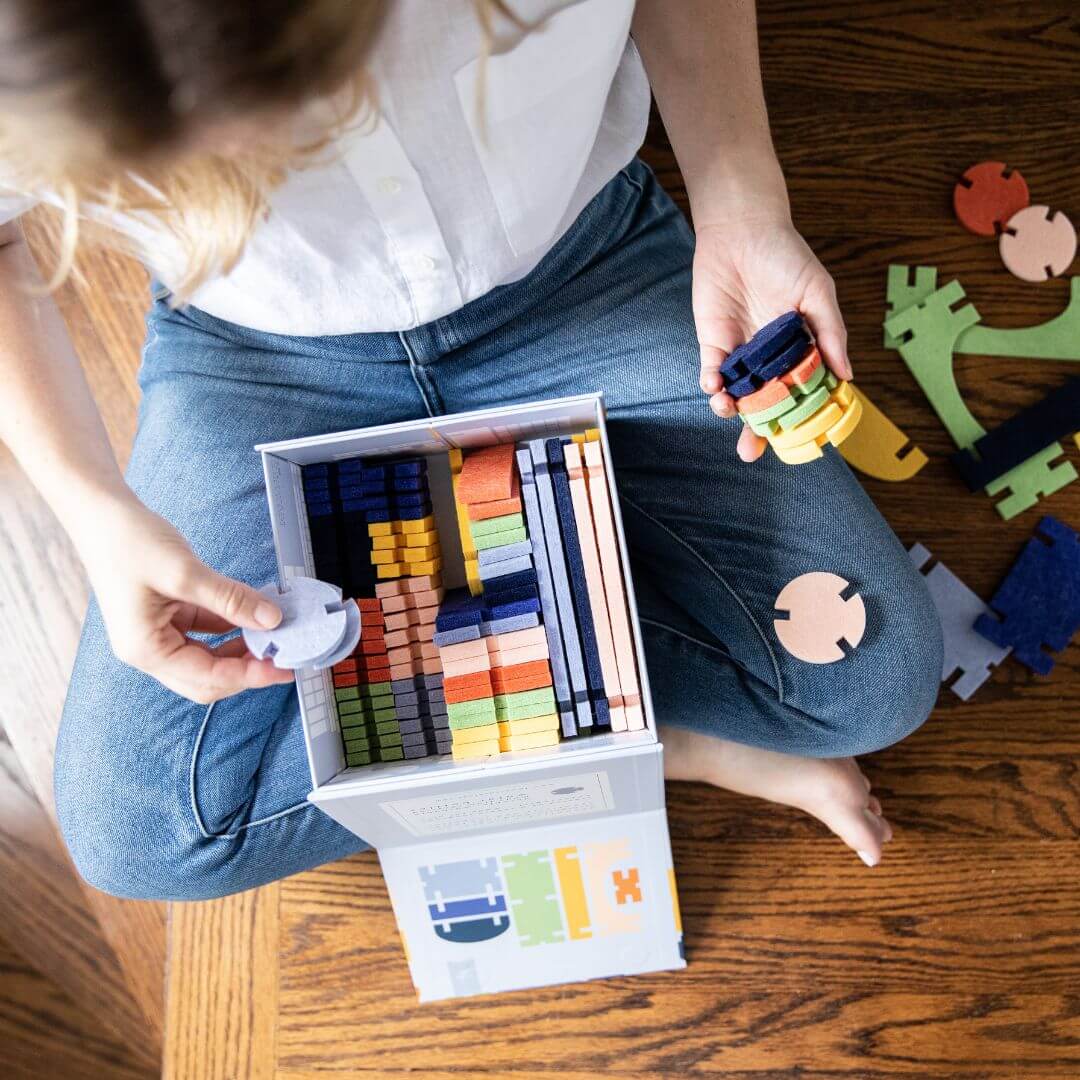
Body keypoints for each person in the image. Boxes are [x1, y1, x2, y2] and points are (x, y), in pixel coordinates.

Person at [0, 0, 942, 900]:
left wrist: (745, 203)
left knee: (875, 678)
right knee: (138, 832)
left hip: (581, 266)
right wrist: (91, 508)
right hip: (257, 351)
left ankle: (591, 710)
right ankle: (641, 734)